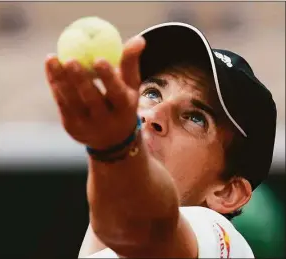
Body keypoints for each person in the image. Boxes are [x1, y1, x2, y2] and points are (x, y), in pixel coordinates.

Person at [45, 22, 277, 258]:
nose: (153, 115)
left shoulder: (218, 237)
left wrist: (114, 148)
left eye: (196, 118)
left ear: (227, 191)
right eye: (152, 93)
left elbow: (145, 231)